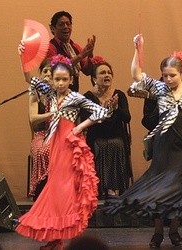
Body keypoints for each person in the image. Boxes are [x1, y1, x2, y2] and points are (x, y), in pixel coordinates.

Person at [103, 34, 182, 248]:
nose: (168, 79)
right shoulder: (160, 89)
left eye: (172, 75)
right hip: (164, 146)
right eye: (164, 75)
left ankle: (174, 231)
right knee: (160, 188)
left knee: (178, 189)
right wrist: (137, 49)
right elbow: (136, 76)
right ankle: (158, 232)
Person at [17, 42, 113, 249]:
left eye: (64, 79)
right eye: (57, 79)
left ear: (71, 79)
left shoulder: (75, 97)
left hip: (70, 145)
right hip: (55, 145)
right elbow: (28, 78)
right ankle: (56, 238)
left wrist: (79, 128)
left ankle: (58, 237)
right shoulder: (51, 94)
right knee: (55, 190)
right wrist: (23, 57)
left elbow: (102, 113)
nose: (60, 83)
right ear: (51, 79)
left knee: (64, 189)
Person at [81, 56, 132, 198]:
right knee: (103, 145)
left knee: (115, 144)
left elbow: (127, 118)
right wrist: (101, 112)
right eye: (102, 73)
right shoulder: (88, 97)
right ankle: (102, 188)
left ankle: (114, 189)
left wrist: (115, 108)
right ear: (94, 78)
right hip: (97, 136)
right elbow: (86, 121)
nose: (107, 75)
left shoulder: (119, 95)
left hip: (116, 136)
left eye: (109, 72)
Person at [47, 11, 95, 92]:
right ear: (52, 28)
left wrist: (89, 57)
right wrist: (80, 56)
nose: (66, 27)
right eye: (61, 24)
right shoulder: (50, 47)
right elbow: (57, 68)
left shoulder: (75, 47)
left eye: (68, 24)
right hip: (56, 94)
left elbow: (87, 71)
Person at [28, 58, 53, 201]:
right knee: (45, 149)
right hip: (41, 134)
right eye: (45, 71)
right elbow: (33, 118)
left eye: (51, 71)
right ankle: (42, 188)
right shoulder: (35, 92)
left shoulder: (61, 92)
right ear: (40, 73)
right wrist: (51, 114)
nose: (48, 74)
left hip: (58, 133)